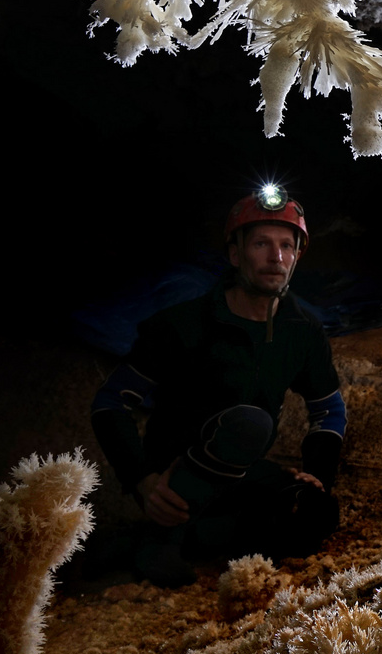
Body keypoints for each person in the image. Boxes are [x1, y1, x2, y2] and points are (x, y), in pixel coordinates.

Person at [91, 185, 346, 586]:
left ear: (297, 256)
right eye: (261, 243)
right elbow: (110, 402)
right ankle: (163, 536)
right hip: (176, 470)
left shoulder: (302, 333)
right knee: (251, 424)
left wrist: (318, 474)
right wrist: (142, 480)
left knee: (315, 513)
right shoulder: (182, 325)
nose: (275, 257)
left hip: (242, 470)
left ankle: (191, 537)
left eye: (286, 245)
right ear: (234, 253)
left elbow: (328, 411)